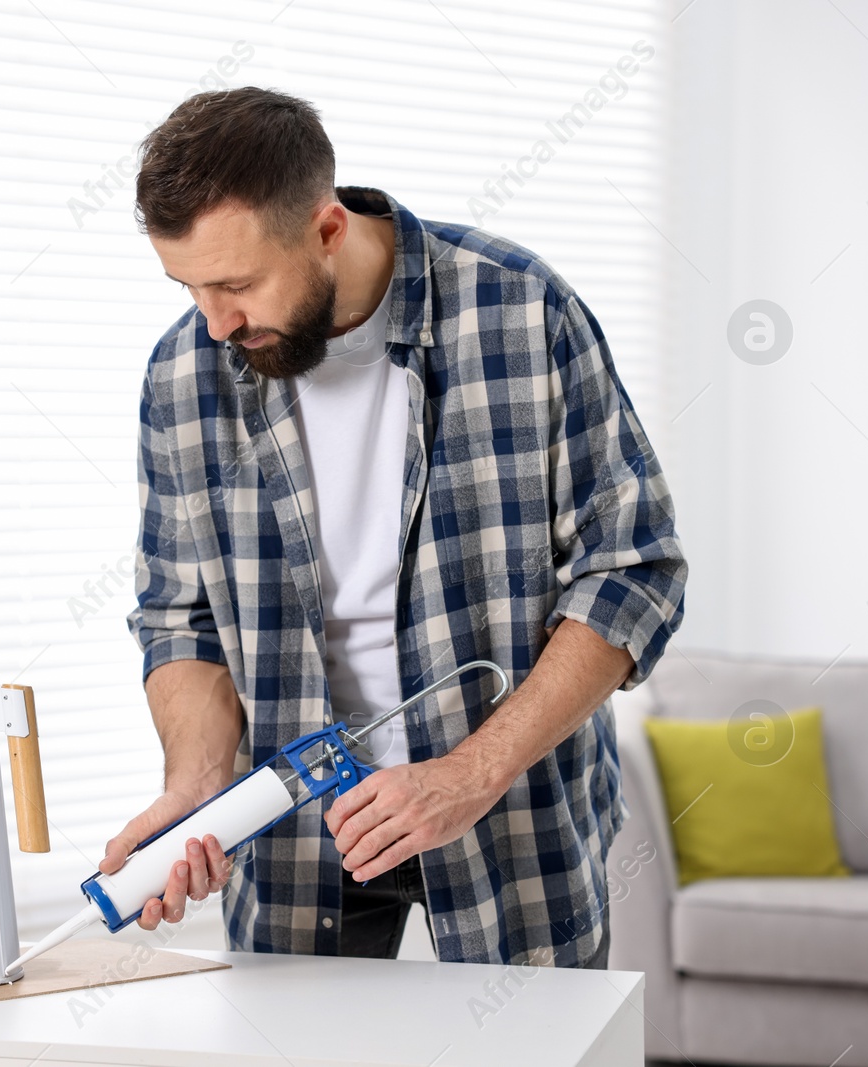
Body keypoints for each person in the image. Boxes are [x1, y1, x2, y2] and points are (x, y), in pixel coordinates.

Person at [99, 87, 688, 969]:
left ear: (328, 229)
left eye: (235, 284)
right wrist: (195, 783)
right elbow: (179, 616)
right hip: (296, 842)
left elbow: (633, 571)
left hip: (513, 816)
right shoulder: (184, 373)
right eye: (189, 287)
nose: (215, 323)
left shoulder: (522, 312)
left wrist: (470, 772)